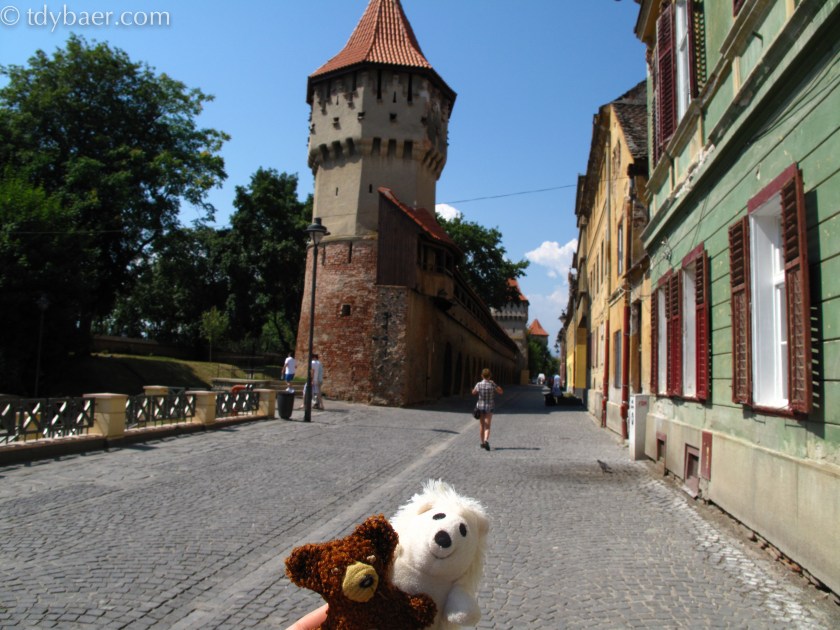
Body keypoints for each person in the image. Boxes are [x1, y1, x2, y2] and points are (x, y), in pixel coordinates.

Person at [472, 368, 502, 451]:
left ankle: (482, 443)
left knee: (482, 425)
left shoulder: (479, 384)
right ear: (490, 376)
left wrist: (473, 390)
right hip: (489, 407)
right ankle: (486, 440)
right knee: (487, 426)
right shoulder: (492, 384)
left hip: (480, 406)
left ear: (482, 376)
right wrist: (495, 384)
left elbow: (474, 393)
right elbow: (500, 392)